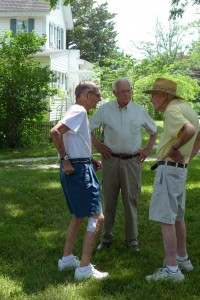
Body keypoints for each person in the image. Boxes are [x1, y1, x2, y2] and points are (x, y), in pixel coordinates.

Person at [89, 78, 157, 250]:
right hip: (111, 161)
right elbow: (88, 128)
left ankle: (132, 240)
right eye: (123, 91)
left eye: (129, 90)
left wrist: (147, 150)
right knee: (109, 200)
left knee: (131, 200)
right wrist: (98, 146)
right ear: (114, 93)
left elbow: (154, 131)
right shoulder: (105, 110)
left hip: (132, 162)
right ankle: (106, 238)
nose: (127, 94)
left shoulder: (139, 110)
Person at [50, 81, 109, 281]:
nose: (99, 99)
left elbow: (72, 139)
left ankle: (67, 259)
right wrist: (66, 160)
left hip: (80, 166)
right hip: (78, 170)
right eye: (97, 95)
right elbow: (55, 132)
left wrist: (88, 158)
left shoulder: (75, 111)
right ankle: (84, 269)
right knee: (96, 217)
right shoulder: (79, 111)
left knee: (78, 215)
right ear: (85, 94)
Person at [143, 77, 200, 282]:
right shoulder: (187, 108)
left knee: (166, 218)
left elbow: (190, 131)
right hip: (180, 169)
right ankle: (182, 258)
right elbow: (198, 134)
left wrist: (174, 149)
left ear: (164, 96)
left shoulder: (172, 110)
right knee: (177, 216)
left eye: (153, 95)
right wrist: (187, 158)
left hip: (169, 169)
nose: (151, 100)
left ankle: (172, 269)